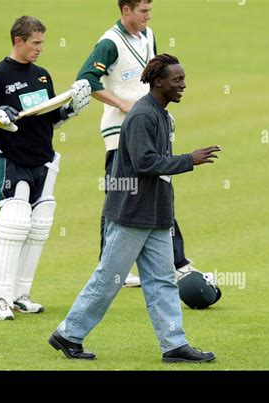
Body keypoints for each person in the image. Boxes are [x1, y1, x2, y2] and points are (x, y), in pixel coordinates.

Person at [49, 54, 221, 362]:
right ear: (158, 82)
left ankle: (173, 344)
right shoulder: (144, 115)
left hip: (154, 215)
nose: (183, 85)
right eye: (177, 80)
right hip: (131, 214)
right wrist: (188, 160)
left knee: (163, 280)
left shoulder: (160, 114)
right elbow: (145, 162)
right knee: (109, 278)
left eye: (183, 79)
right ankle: (68, 334)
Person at [0, 16, 91, 320]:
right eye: (35, 43)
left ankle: (20, 293)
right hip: (13, 161)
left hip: (43, 160)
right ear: (18, 41)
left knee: (38, 229)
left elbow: (48, 117)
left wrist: (71, 108)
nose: (40, 49)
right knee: (13, 226)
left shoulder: (42, 76)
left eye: (42, 43)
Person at [77, 0, 199, 288]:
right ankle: (111, 268)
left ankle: (175, 261)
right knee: (119, 195)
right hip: (120, 129)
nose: (148, 16)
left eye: (149, 10)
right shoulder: (110, 42)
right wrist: (122, 103)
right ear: (126, 10)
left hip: (152, 122)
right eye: (143, 11)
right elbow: (85, 80)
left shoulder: (149, 35)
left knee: (160, 186)